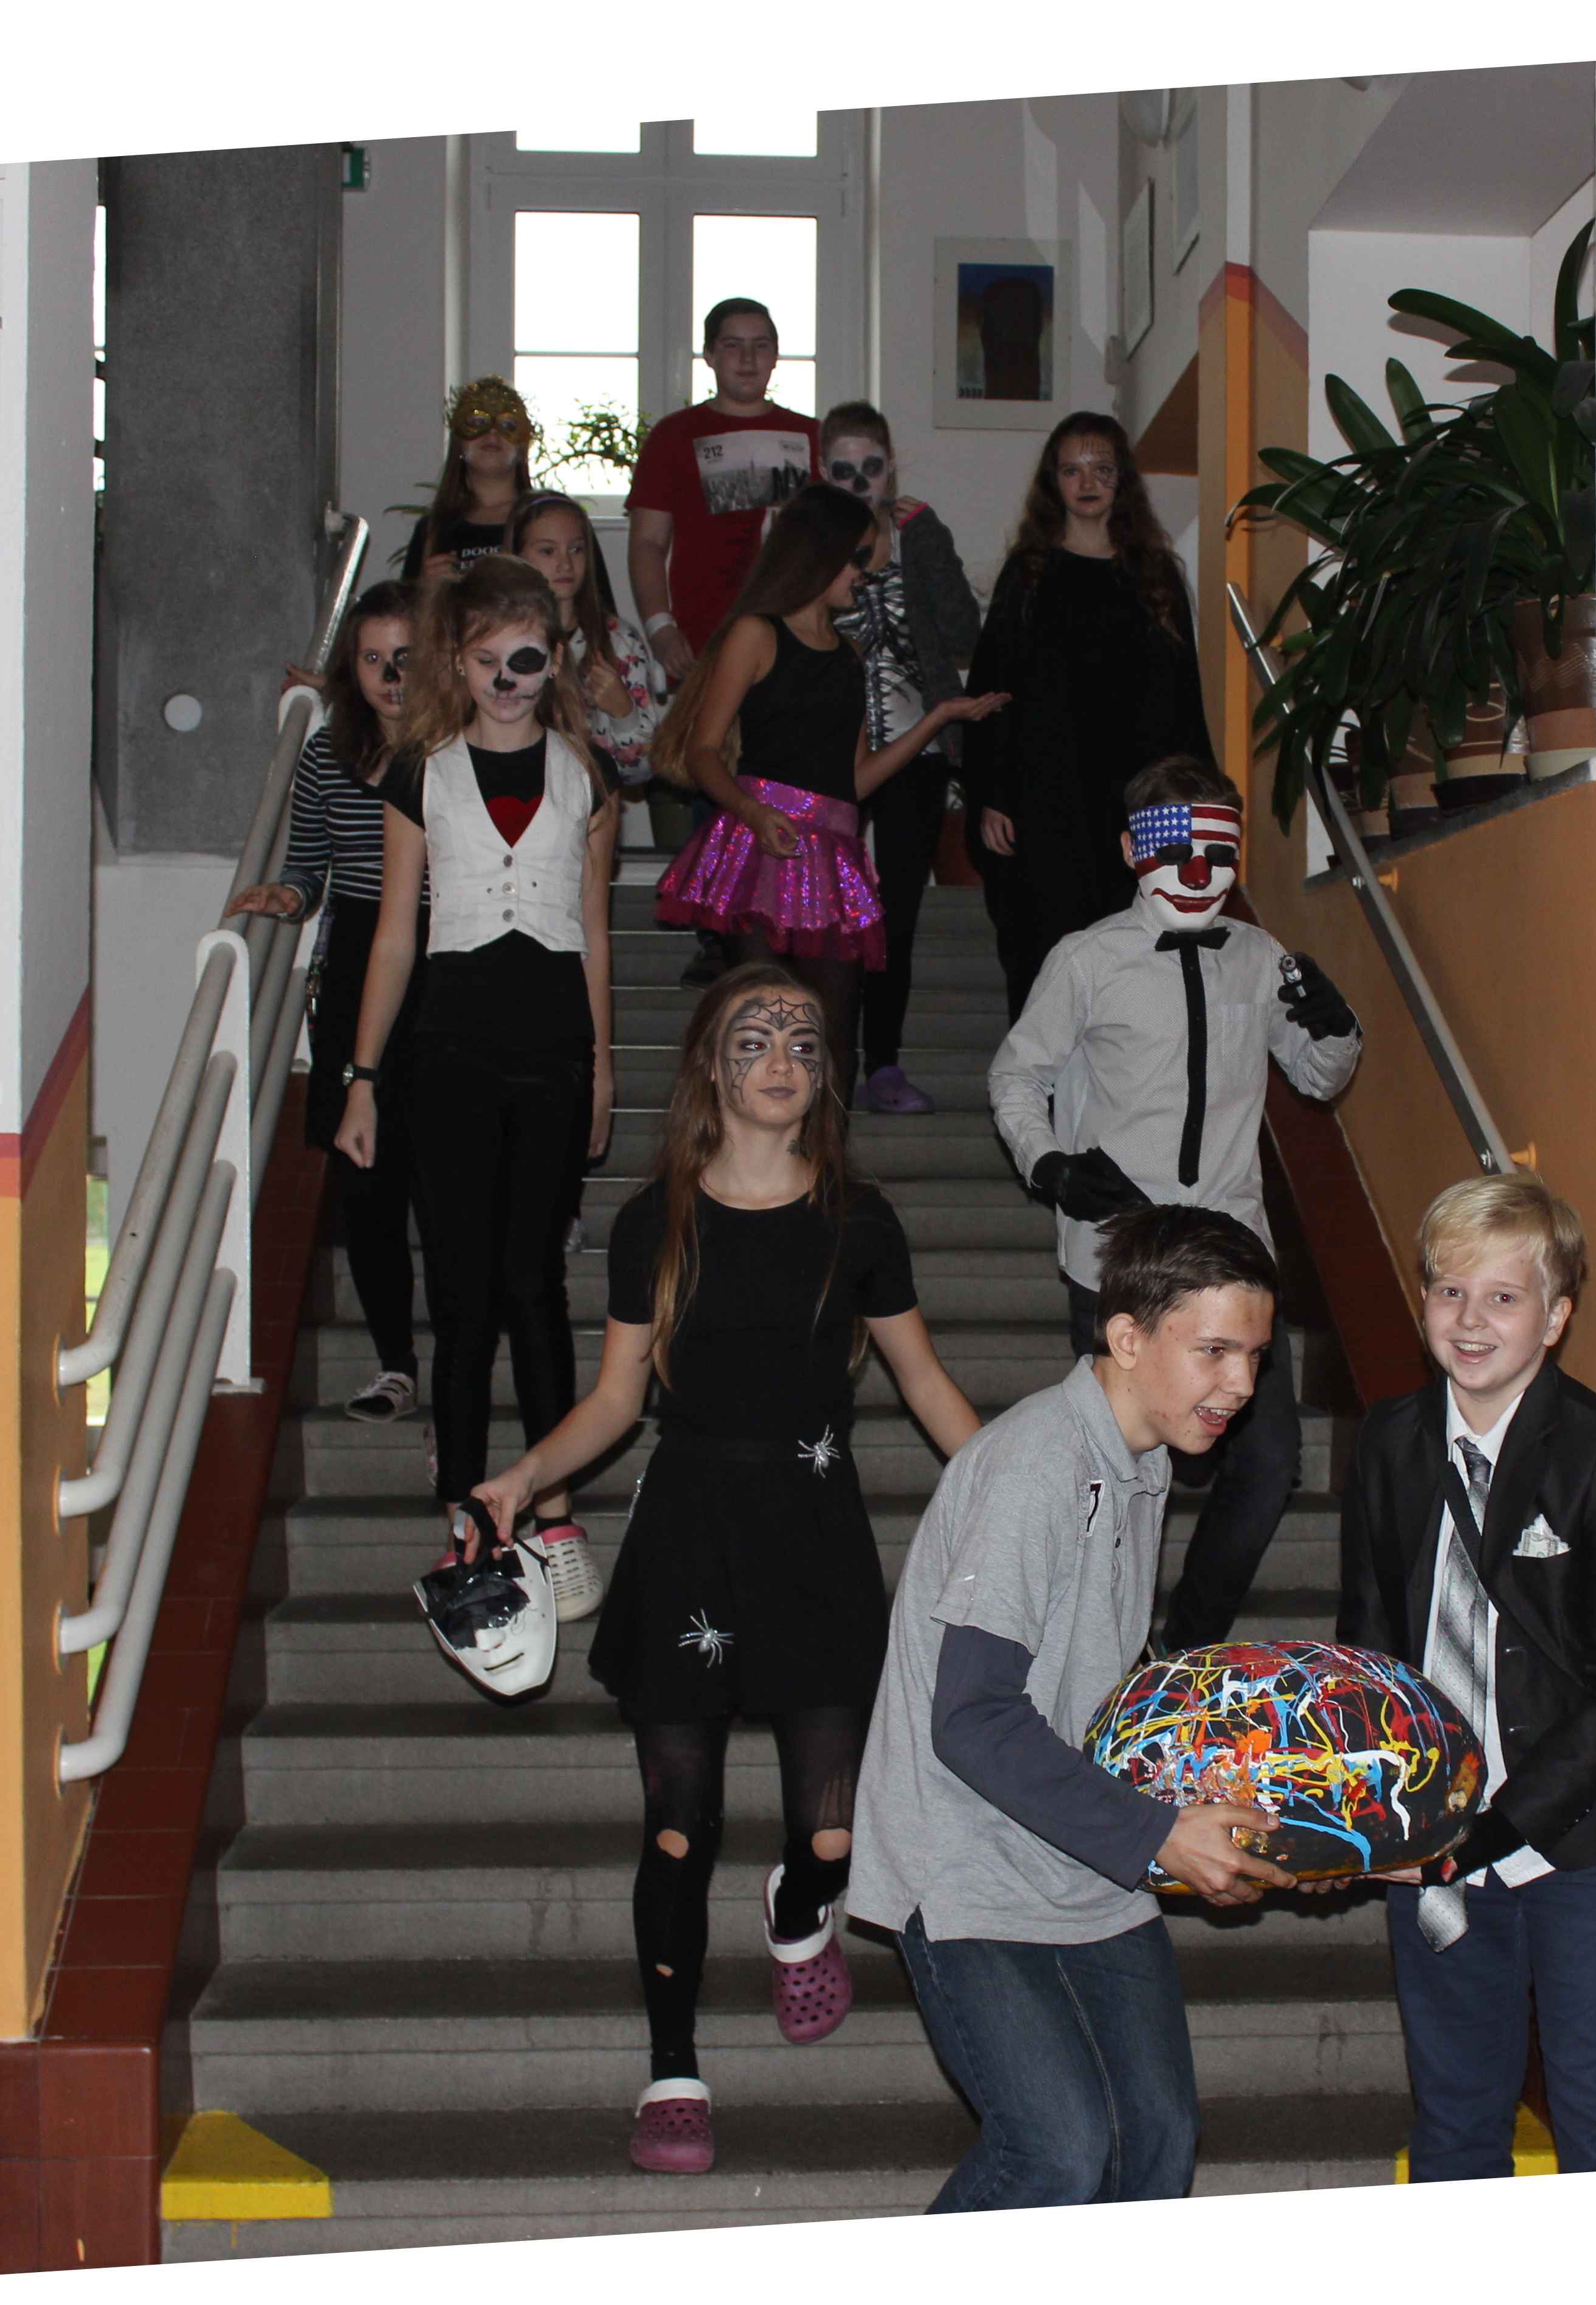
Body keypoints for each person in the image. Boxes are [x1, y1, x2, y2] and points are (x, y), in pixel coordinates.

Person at [469, 966, 983, 2175]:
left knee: (833, 1833)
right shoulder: (656, 1220)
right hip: (690, 1529)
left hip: (815, 1534)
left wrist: (1024, 1488)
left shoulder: (860, 1220)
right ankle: (672, 2070)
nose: (781, 1058)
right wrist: (522, 1478)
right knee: (676, 1826)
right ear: (712, 1064)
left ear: (825, 1073)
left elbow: (923, 1382)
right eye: (754, 1039)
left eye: (803, 1042)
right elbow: (615, 1401)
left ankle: (798, 1917)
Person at [846, 1202, 1300, 2212]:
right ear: (1127, 1336)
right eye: (1215, 1350)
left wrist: (1212, 1810)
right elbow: (972, 1717)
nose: (1241, 1384)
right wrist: (1156, 1832)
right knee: (1056, 2152)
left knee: (1156, 2139)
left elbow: (1092, 1676)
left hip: (1076, 1854)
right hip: (964, 1863)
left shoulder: (1143, 1459)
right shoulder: (1038, 1465)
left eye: (1256, 1356)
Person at [1334, 1173, 1596, 2179]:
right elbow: (1369, 1649)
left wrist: (1491, 1830)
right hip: (1436, 1839)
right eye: (1449, 1291)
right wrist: (1377, 1809)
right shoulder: (1389, 1440)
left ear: (1556, 1316)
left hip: (1590, 1842)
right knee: (1453, 2122)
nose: (1470, 1319)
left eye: (1502, 1296)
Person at [985, 755, 1361, 1650]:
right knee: (1119, 1469)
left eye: (1217, 850)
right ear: (1131, 850)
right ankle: (1100, 1650)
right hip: (1119, 1259)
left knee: (1267, 1461)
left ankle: (1181, 1650)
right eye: (1172, 846)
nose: (1197, 869)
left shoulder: (1259, 958)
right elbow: (1017, 1074)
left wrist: (1337, 1031)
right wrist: (1049, 1165)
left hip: (1233, 1260)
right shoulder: (1086, 959)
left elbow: (1315, 1077)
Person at [333, 555, 620, 1614]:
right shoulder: (420, 774)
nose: (506, 680)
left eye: (525, 659)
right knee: (459, 1295)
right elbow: (392, 937)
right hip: (447, 1052)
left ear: (554, 661)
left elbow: (594, 936)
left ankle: (553, 1514)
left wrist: (602, 1070)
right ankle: (465, 1518)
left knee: (532, 1285)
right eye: (487, 659)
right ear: (457, 661)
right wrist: (361, 1078)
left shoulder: (587, 777)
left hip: (551, 1052)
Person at [645, 483, 1004, 1088]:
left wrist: (937, 719)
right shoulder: (757, 634)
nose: (865, 572)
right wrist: (751, 813)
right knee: (758, 1033)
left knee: (833, 1050)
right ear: (820, 552)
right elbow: (703, 750)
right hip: (760, 848)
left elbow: (855, 780)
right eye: (857, 557)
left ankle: (820, 1153)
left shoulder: (850, 654)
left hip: (830, 855)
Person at [229, 579, 424, 1422]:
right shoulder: (326, 752)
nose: (390, 676)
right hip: (354, 962)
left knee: (443, 1170)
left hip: (447, 960)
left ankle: (457, 1361)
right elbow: (310, 864)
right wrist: (289, 895)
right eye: (373, 659)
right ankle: (394, 1364)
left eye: (406, 657)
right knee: (366, 1178)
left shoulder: (465, 749)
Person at [961, 412, 1216, 1017]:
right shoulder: (1027, 575)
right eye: (1072, 470)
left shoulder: (1155, 577)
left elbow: (1183, 698)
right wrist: (991, 794)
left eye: (1101, 469)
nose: (1087, 482)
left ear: (1121, 479)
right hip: (1044, 803)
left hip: (1136, 802)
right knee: (1045, 958)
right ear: (1053, 482)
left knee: (1134, 966)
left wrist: (1194, 801)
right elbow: (993, 692)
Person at [627, 299, 822, 987]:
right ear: (709, 355)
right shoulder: (674, 436)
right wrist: (660, 629)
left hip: (794, 646)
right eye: (732, 344)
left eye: (760, 344)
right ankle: (716, 933)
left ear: (776, 355)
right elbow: (647, 543)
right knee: (714, 785)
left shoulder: (812, 437)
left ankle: (792, 917)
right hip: (704, 647)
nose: (746, 357)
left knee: (791, 783)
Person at [818, 400, 982, 1115]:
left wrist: (926, 541)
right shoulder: (811, 540)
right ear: (822, 472)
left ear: (892, 468)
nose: (859, 483)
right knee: (826, 912)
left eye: (872, 467)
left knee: (899, 914)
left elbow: (964, 632)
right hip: (832, 755)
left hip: (918, 751)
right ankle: (828, 1059)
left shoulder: (919, 534)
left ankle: (882, 1063)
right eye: (843, 470)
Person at [511, 490, 664, 793]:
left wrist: (624, 713)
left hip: (592, 807)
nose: (565, 564)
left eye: (576, 549)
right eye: (547, 551)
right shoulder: (497, 643)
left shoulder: (619, 642)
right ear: (517, 558)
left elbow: (643, 770)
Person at [397, 377, 540, 583]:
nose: (492, 432)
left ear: (522, 446)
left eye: (508, 424)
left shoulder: (551, 521)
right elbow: (407, 603)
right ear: (459, 443)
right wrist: (426, 589)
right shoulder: (432, 531)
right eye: (477, 422)